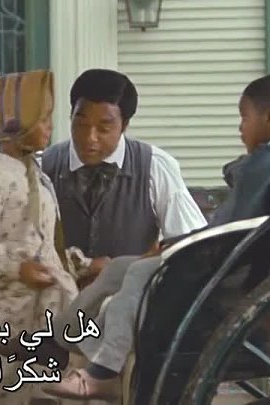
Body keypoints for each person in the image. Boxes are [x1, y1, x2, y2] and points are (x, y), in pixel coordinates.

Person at [0, 72, 270, 400]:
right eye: (80, 123)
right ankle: (57, 341)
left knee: (138, 272)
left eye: (245, 118)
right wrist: (168, 248)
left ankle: (103, 371)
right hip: (214, 263)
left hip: (224, 276)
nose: (240, 127)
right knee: (119, 268)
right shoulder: (46, 165)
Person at [0, 70, 79, 405]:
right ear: (17, 125)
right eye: (43, 119)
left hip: (37, 310)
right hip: (1, 309)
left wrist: (75, 265)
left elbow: (43, 239)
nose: (50, 127)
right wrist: (16, 268)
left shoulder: (36, 176)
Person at [41, 68, 207, 288]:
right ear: (71, 116)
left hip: (128, 301)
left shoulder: (155, 166)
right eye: (81, 124)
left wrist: (131, 268)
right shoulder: (43, 166)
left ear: (124, 125)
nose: (90, 138)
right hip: (59, 302)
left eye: (103, 128)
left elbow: (192, 245)